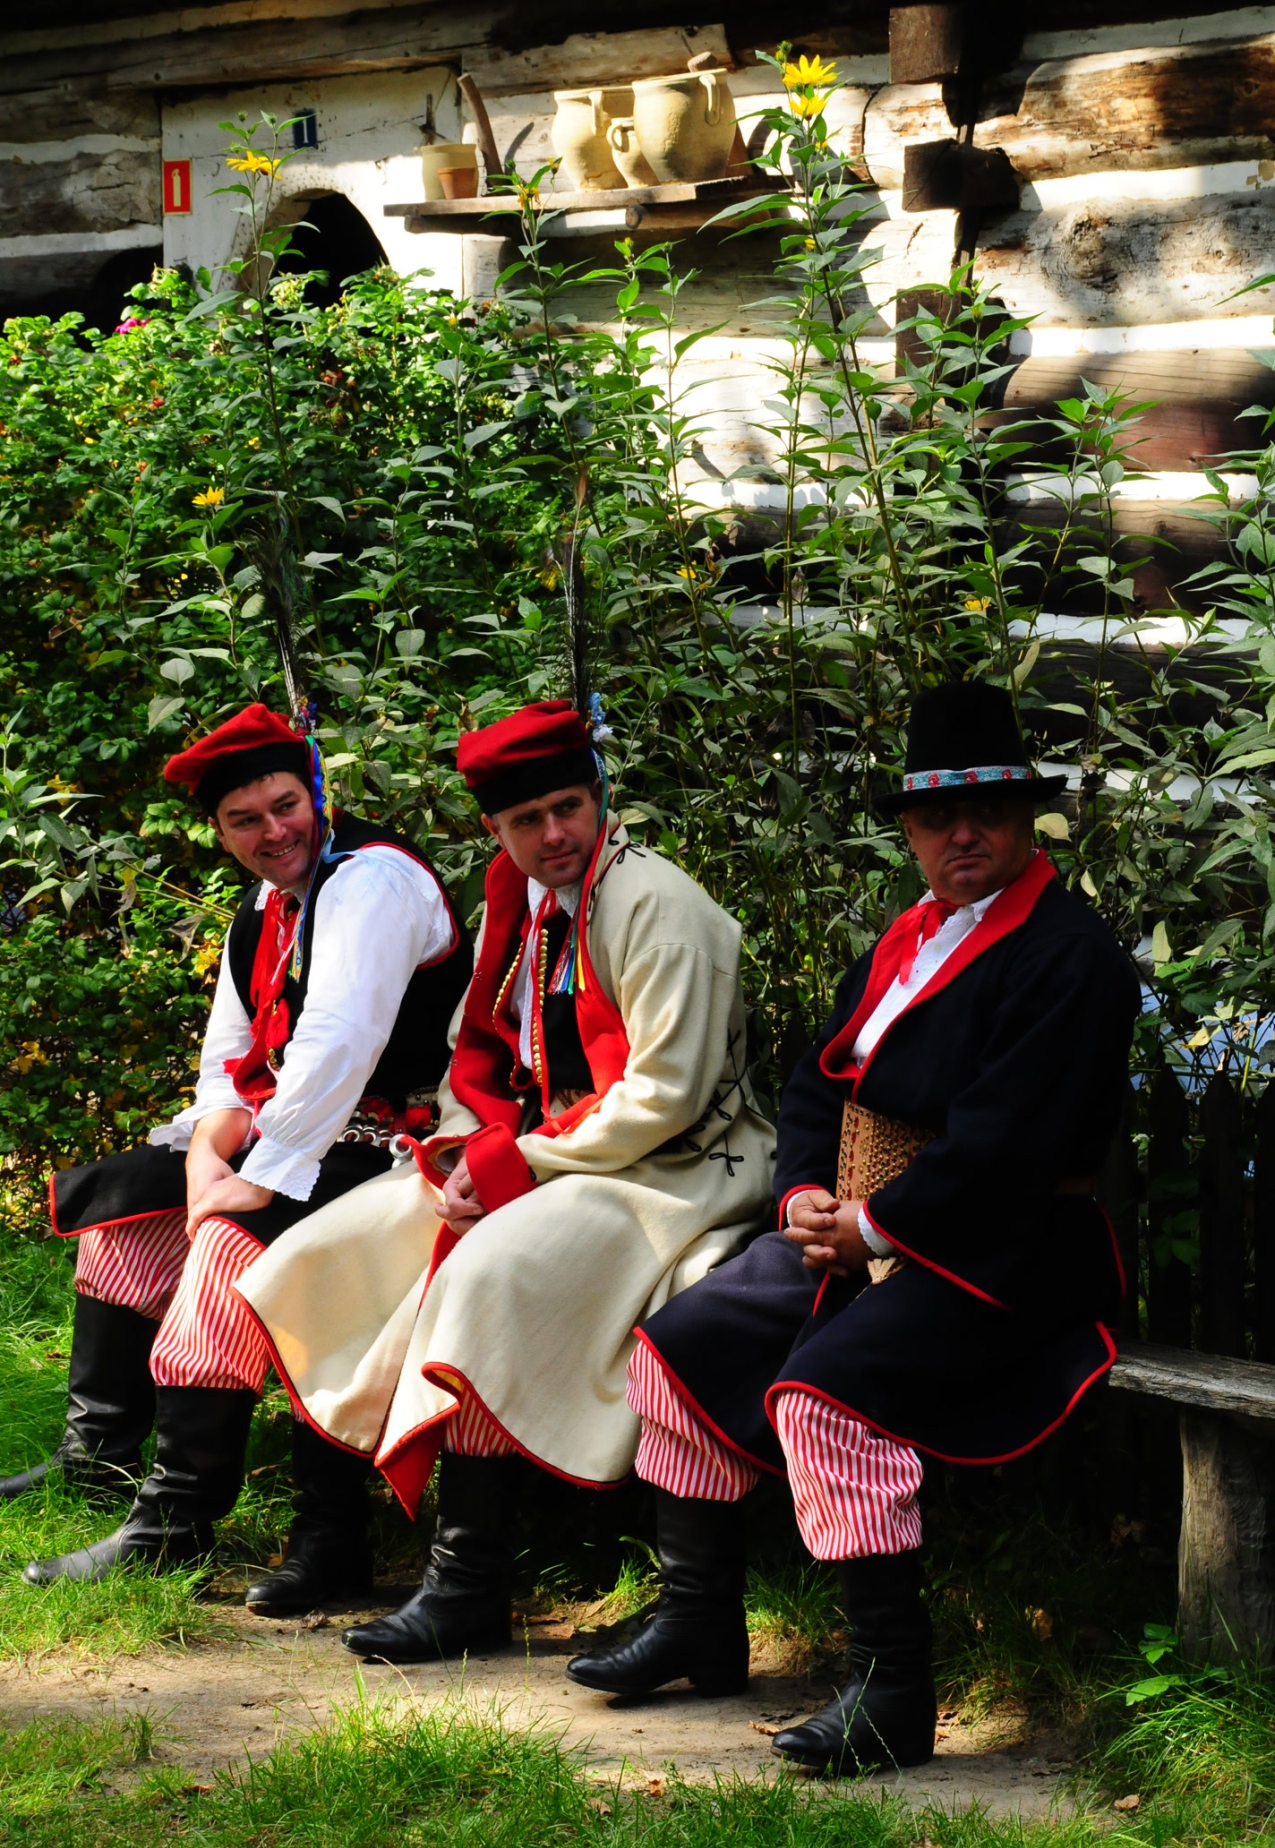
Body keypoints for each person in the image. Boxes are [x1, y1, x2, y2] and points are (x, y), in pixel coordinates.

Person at [566, 680, 1141, 1775]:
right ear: (911, 832)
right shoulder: (907, 937)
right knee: (677, 1348)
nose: (960, 835)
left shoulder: (1068, 956)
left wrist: (874, 1226)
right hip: (866, 1231)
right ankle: (699, 1621)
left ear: (1026, 821)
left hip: (1007, 1253)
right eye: (936, 817)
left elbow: (1009, 1143)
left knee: (824, 1395)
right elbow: (816, 1084)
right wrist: (799, 1199)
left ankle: (892, 1691)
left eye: (985, 812)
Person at [237, 698, 776, 1662]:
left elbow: (666, 1096)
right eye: (526, 820)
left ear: (598, 799)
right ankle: (332, 1533)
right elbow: (474, 1058)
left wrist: (511, 1165)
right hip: (553, 1154)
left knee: (487, 1272)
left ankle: (466, 1584)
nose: (552, 833)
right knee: (327, 1244)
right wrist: (460, 1152)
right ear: (496, 828)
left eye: (568, 807)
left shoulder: (656, 905)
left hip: (677, 1169)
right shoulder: (518, 903)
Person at [19, 702, 472, 1610]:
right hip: (304, 1137)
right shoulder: (263, 909)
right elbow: (229, 1064)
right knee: (123, 1212)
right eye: (245, 820)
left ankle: (181, 1519)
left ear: (317, 794)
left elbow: (338, 1044)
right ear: (220, 833)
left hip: (399, 1147)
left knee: (229, 1246)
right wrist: (203, 1165)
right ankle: (99, 1456)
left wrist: (252, 1182)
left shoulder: (371, 882)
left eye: (286, 805)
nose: (274, 832)